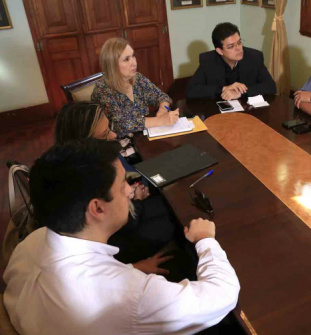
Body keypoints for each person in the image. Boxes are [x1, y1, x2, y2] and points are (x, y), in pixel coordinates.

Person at [3, 139, 240, 335]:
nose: (130, 190)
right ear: (97, 209)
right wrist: (205, 240)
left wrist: (131, 267)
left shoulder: (30, 243)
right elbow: (223, 294)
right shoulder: (128, 296)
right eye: (122, 185)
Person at [54, 101, 177, 265]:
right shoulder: (93, 177)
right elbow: (127, 221)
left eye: (110, 128)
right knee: (175, 214)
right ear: (83, 142)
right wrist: (137, 199)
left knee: (167, 203)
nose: (113, 135)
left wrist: (127, 192)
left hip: (123, 221)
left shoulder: (71, 163)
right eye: (105, 134)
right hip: (118, 241)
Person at [92, 37, 179, 138]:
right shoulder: (102, 89)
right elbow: (121, 124)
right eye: (126, 59)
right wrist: (160, 120)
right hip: (119, 145)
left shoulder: (137, 78)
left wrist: (162, 112)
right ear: (112, 65)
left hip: (143, 136)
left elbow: (162, 96)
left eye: (133, 56)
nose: (134, 62)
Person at [186, 22, 276, 100]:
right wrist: (224, 89)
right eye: (231, 46)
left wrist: (240, 93)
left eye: (239, 42)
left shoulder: (254, 57)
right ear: (219, 51)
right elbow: (191, 91)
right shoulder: (208, 60)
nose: (238, 48)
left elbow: (271, 86)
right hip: (218, 113)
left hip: (248, 111)